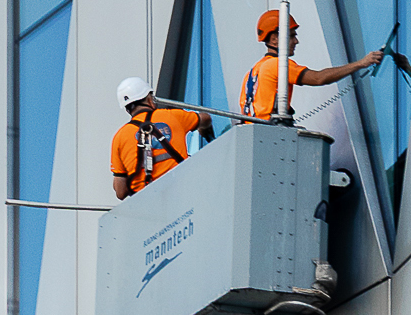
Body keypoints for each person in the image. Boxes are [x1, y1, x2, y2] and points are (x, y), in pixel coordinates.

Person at [240, 10, 383, 120]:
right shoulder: (277, 65)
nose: (296, 41)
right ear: (274, 39)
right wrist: (361, 64)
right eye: (292, 35)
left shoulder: (253, 72)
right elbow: (318, 78)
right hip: (268, 134)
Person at [109, 77, 213, 200]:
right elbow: (205, 118)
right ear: (150, 99)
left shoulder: (119, 138)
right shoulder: (173, 116)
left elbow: (121, 192)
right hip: (180, 193)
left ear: (127, 109)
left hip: (145, 203)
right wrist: (203, 129)